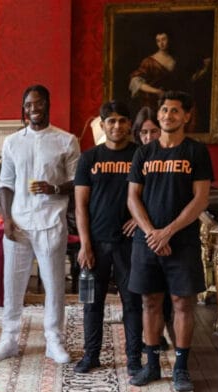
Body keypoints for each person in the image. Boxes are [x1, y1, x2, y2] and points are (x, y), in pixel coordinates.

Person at [126, 90, 212, 392]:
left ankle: (181, 367)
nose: (168, 116)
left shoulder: (195, 152)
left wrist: (168, 231)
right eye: (164, 110)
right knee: (150, 301)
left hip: (182, 242)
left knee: (181, 303)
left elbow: (200, 199)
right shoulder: (144, 153)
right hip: (147, 242)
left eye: (175, 111)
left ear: (186, 116)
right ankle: (151, 365)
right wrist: (152, 232)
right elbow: (133, 198)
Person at [0, 85, 80, 365]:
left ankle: (53, 339)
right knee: (13, 283)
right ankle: (9, 338)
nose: (33, 109)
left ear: (48, 105)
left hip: (51, 221)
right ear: (23, 108)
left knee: (54, 284)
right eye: (28, 104)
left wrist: (53, 188)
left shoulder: (66, 140)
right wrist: (6, 219)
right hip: (19, 223)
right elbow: (4, 184)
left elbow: (77, 182)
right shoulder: (12, 142)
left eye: (38, 103)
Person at [73, 100, 141, 376]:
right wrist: (85, 244)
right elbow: (80, 205)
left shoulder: (140, 156)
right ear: (102, 126)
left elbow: (149, 195)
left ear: (129, 125)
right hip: (96, 244)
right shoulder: (89, 158)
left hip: (130, 244)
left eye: (122, 120)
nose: (117, 126)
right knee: (92, 302)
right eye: (111, 121)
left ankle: (134, 359)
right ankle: (91, 355)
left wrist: (139, 219)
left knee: (132, 303)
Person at [132, 106, 175, 350]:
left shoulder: (172, 156)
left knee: (167, 297)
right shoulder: (138, 156)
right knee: (145, 295)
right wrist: (141, 224)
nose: (148, 137)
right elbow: (131, 196)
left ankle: (161, 338)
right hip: (142, 235)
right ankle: (146, 341)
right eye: (143, 133)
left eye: (153, 132)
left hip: (166, 232)